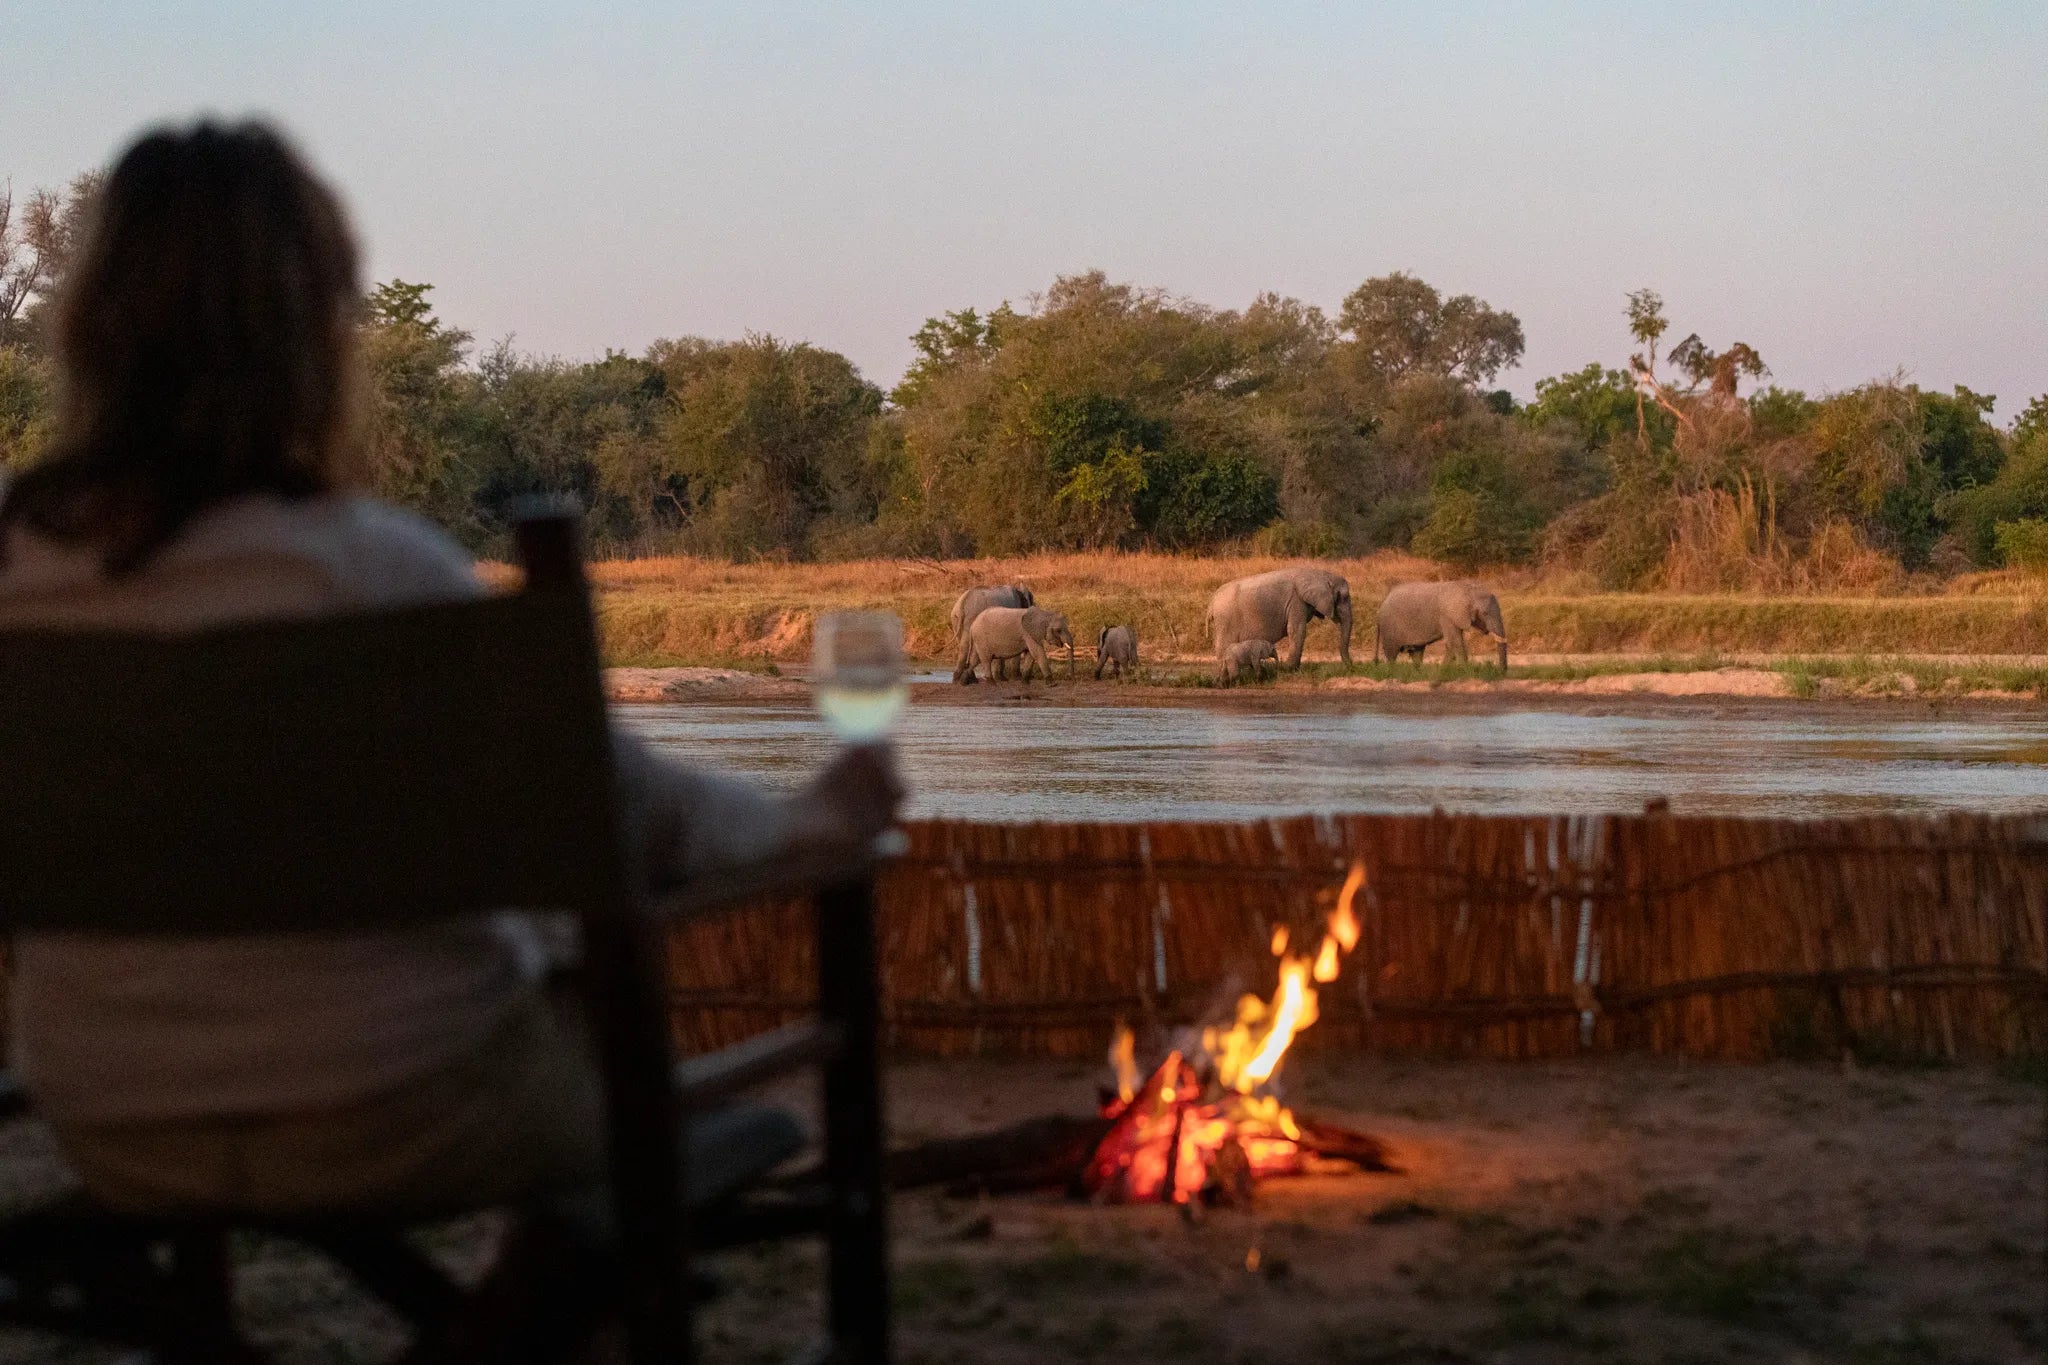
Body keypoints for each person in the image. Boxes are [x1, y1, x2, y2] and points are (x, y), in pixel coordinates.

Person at [0, 120, 904, 1219]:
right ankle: (534, 1297)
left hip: (110, 1117)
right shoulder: (379, 575)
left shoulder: (16, 576)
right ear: (315, 333)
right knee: (578, 1018)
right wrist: (808, 821)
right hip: (405, 1103)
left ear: (87, 329)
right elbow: (617, 811)